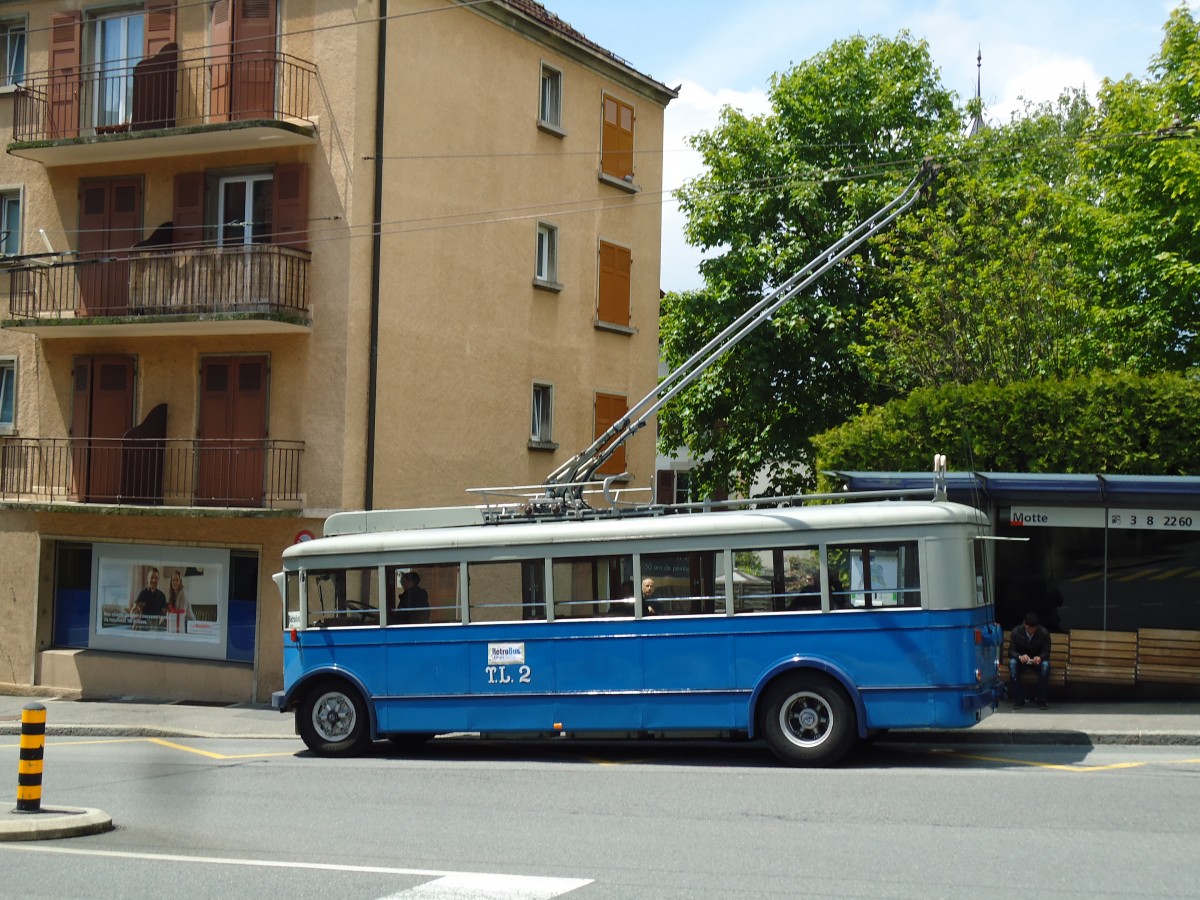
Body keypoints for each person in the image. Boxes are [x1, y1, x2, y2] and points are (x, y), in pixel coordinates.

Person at [1009, 612, 1052, 709]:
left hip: (1037, 661)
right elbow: (1011, 651)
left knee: (1045, 666)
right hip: (1022, 661)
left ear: (1037, 627)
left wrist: (1040, 657)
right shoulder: (1016, 632)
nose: (1031, 631)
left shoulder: (1044, 633)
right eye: (1028, 629)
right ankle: (1019, 700)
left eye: (1033, 629)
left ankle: (1041, 700)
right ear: (1024, 625)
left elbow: (1046, 652)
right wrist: (1020, 656)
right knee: (1012, 663)